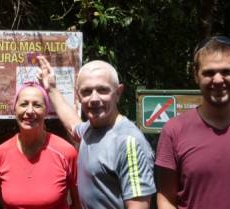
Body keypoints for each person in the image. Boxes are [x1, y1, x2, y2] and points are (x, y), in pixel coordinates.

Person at [37, 56, 156, 209]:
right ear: (78, 95)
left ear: (118, 93)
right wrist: (51, 89)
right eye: (86, 91)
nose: (94, 98)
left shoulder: (128, 142)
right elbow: (72, 124)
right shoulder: (90, 130)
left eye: (102, 90)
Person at [155, 36, 230, 209]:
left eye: (226, 71)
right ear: (196, 75)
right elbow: (166, 198)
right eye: (209, 73)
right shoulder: (174, 130)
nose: (218, 80)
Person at [0, 81, 81, 209]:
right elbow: (3, 200)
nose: (30, 111)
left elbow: (79, 203)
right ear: (15, 108)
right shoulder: (0, 153)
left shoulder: (66, 152)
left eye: (37, 105)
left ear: (47, 111)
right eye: (23, 104)